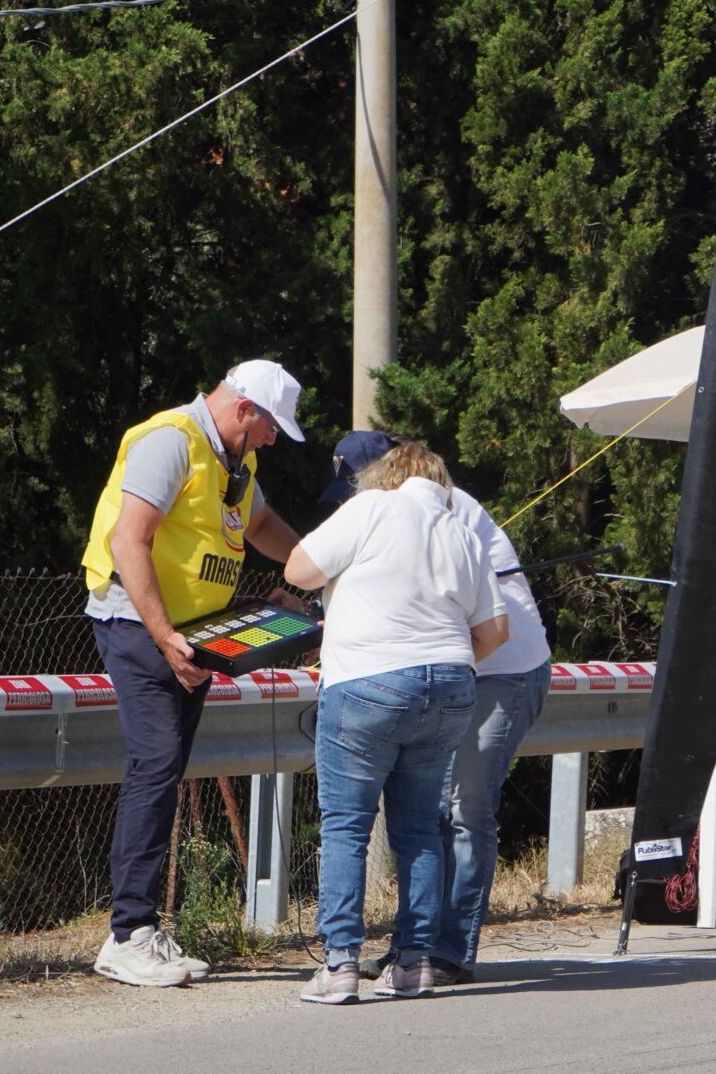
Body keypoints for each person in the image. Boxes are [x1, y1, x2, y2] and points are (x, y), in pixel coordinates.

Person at [80, 360, 308, 988]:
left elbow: (259, 526)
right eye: (269, 428)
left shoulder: (235, 460)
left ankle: (140, 928)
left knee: (166, 767)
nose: (271, 440)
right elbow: (130, 543)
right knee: (155, 764)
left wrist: (314, 568)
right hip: (141, 625)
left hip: (193, 634)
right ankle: (129, 933)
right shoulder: (171, 441)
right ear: (243, 409)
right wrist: (166, 637)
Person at [325, 433, 554, 987]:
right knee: (425, 819)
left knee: (463, 811)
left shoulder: (447, 509)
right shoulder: (398, 512)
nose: (359, 496)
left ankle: (449, 950)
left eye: (362, 482)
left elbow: (488, 631)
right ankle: (414, 949)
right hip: (458, 671)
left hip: (503, 668)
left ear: (387, 473)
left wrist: (439, 671)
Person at [285, 440, 507, 1003]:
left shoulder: (371, 508)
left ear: (386, 475)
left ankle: (338, 965)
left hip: (367, 681)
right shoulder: (462, 532)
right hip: (451, 684)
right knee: (418, 829)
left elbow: (299, 570)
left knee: (346, 826)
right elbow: (493, 632)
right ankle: (413, 963)